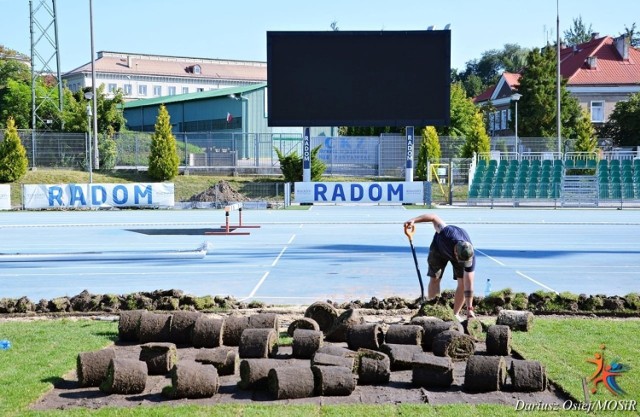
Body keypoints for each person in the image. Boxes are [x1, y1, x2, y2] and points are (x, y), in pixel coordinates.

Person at [404, 213, 476, 320]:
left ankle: (455, 314)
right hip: (439, 248)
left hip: (459, 254)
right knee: (435, 278)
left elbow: (468, 285)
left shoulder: (469, 257)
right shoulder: (447, 233)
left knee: (462, 283)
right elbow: (433, 217)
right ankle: (434, 312)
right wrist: (414, 220)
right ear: (456, 252)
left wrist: (470, 309)